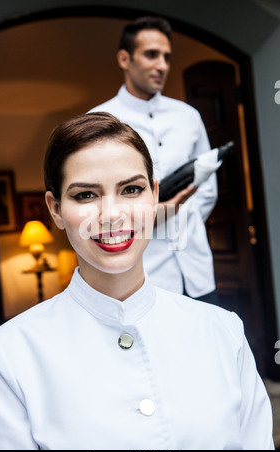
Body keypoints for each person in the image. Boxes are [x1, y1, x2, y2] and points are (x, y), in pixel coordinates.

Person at [0, 113, 274, 450]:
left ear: (154, 196)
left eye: (131, 189)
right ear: (56, 210)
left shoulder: (224, 332)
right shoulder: (8, 355)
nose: (111, 215)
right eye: (86, 195)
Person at [89, 16, 218, 304]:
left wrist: (182, 218)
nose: (162, 65)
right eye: (151, 55)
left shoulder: (189, 117)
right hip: (143, 276)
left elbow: (207, 189)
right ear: (124, 58)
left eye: (166, 57)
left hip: (198, 270)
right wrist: (152, 219)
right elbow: (97, 201)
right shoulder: (98, 123)